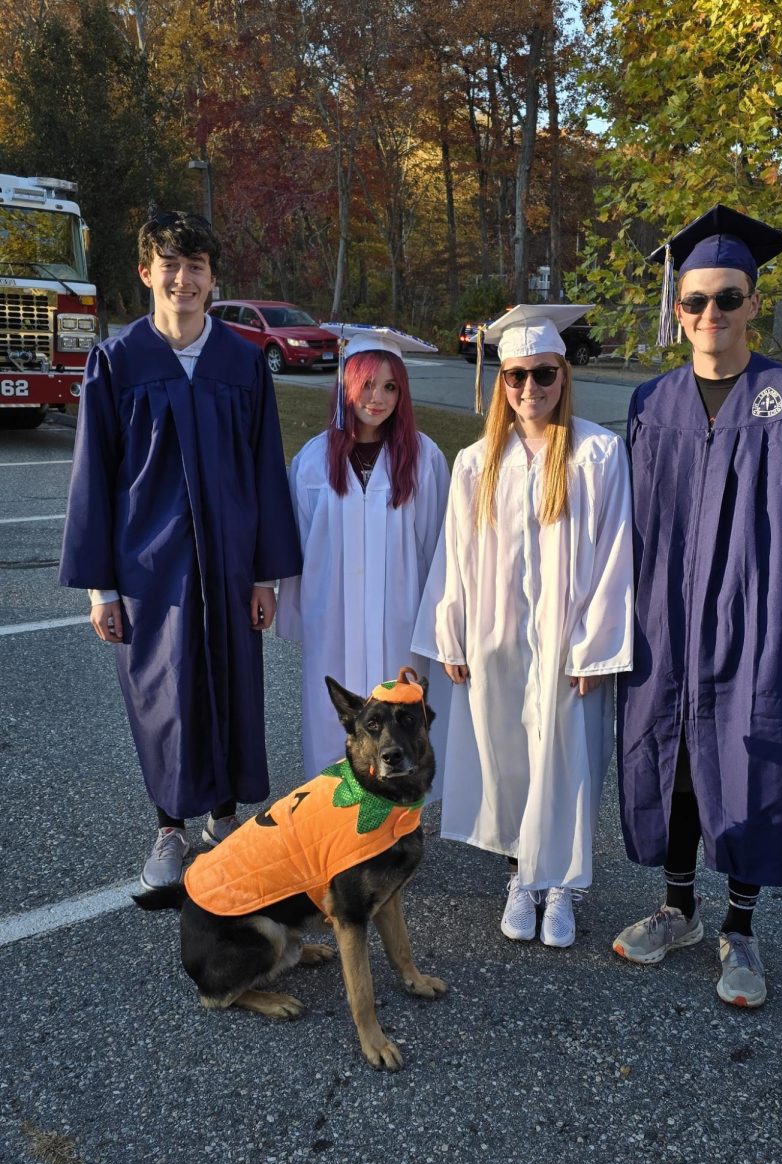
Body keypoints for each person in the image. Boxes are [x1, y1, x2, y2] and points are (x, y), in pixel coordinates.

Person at [614, 205, 782, 1006]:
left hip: (756, 622)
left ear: (753, 303)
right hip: (663, 617)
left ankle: (741, 931)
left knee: (749, 757)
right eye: (695, 301)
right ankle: (678, 908)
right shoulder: (650, 404)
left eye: (728, 298)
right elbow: (619, 527)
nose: (710, 315)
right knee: (676, 761)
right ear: (677, 308)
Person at [59, 211, 300, 890]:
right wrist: (99, 588)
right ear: (146, 273)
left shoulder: (242, 362)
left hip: (228, 564)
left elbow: (262, 468)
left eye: (196, 266)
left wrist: (265, 576)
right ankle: (169, 825)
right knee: (164, 696)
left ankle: (223, 818)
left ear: (213, 278)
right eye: (170, 264)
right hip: (150, 568)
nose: (183, 278)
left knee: (229, 683)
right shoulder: (118, 360)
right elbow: (93, 478)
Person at [412, 305, 633, 948]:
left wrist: (594, 648)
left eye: (542, 374)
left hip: (568, 642)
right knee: (508, 755)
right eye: (515, 376)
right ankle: (519, 876)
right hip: (498, 637)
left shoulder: (597, 452)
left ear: (563, 376)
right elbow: (454, 554)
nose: (529, 389)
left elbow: (617, 553)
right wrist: (450, 633)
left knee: (564, 758)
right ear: (500, 382)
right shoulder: (477, 462)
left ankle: (561, 884)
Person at [276, 325, 451, 784]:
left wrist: (441, 620)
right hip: (332, 617)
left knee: (402, 720)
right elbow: (297, 544)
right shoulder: (313, 460)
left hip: (401, 618)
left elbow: (438, 545)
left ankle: (397, 826)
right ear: (347, 385)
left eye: (391, 387)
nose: (378, 398)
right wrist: (296, 613)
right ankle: (334, 822)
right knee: (335, 718)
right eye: (367, 384)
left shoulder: (424, 457)